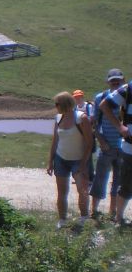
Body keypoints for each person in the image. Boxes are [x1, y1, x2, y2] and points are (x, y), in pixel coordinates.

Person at [47, 92, 93, 229]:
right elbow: (55, 141)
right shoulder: (58, 118)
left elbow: (89, 143)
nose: (55, 107)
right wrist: (50, 161)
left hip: (78, 160)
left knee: (82, 190)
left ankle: (84, 217)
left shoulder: (81, 118)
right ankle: (62, 220)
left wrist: (84, 164)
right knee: (62, 192)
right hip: (61, 159)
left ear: (65, 104)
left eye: (57, 104)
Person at [91, 69, 125, 220]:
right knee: (100, 179)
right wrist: (101, 141)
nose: (116, 82)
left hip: (123, 148)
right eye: (113, 80)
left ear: (123, 81)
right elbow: (94, 124)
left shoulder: (127, 98)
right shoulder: (100, 98)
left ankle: (113, 213)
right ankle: (94, 211)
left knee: (119, 182)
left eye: (118, 80)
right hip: (107, 147)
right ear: (108, 81)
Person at [99, 74, 132, 226]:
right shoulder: (128, 89)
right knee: (126, 184)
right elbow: (104, 105)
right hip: (130, 147)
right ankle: (118, 218)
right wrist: (120, 126)